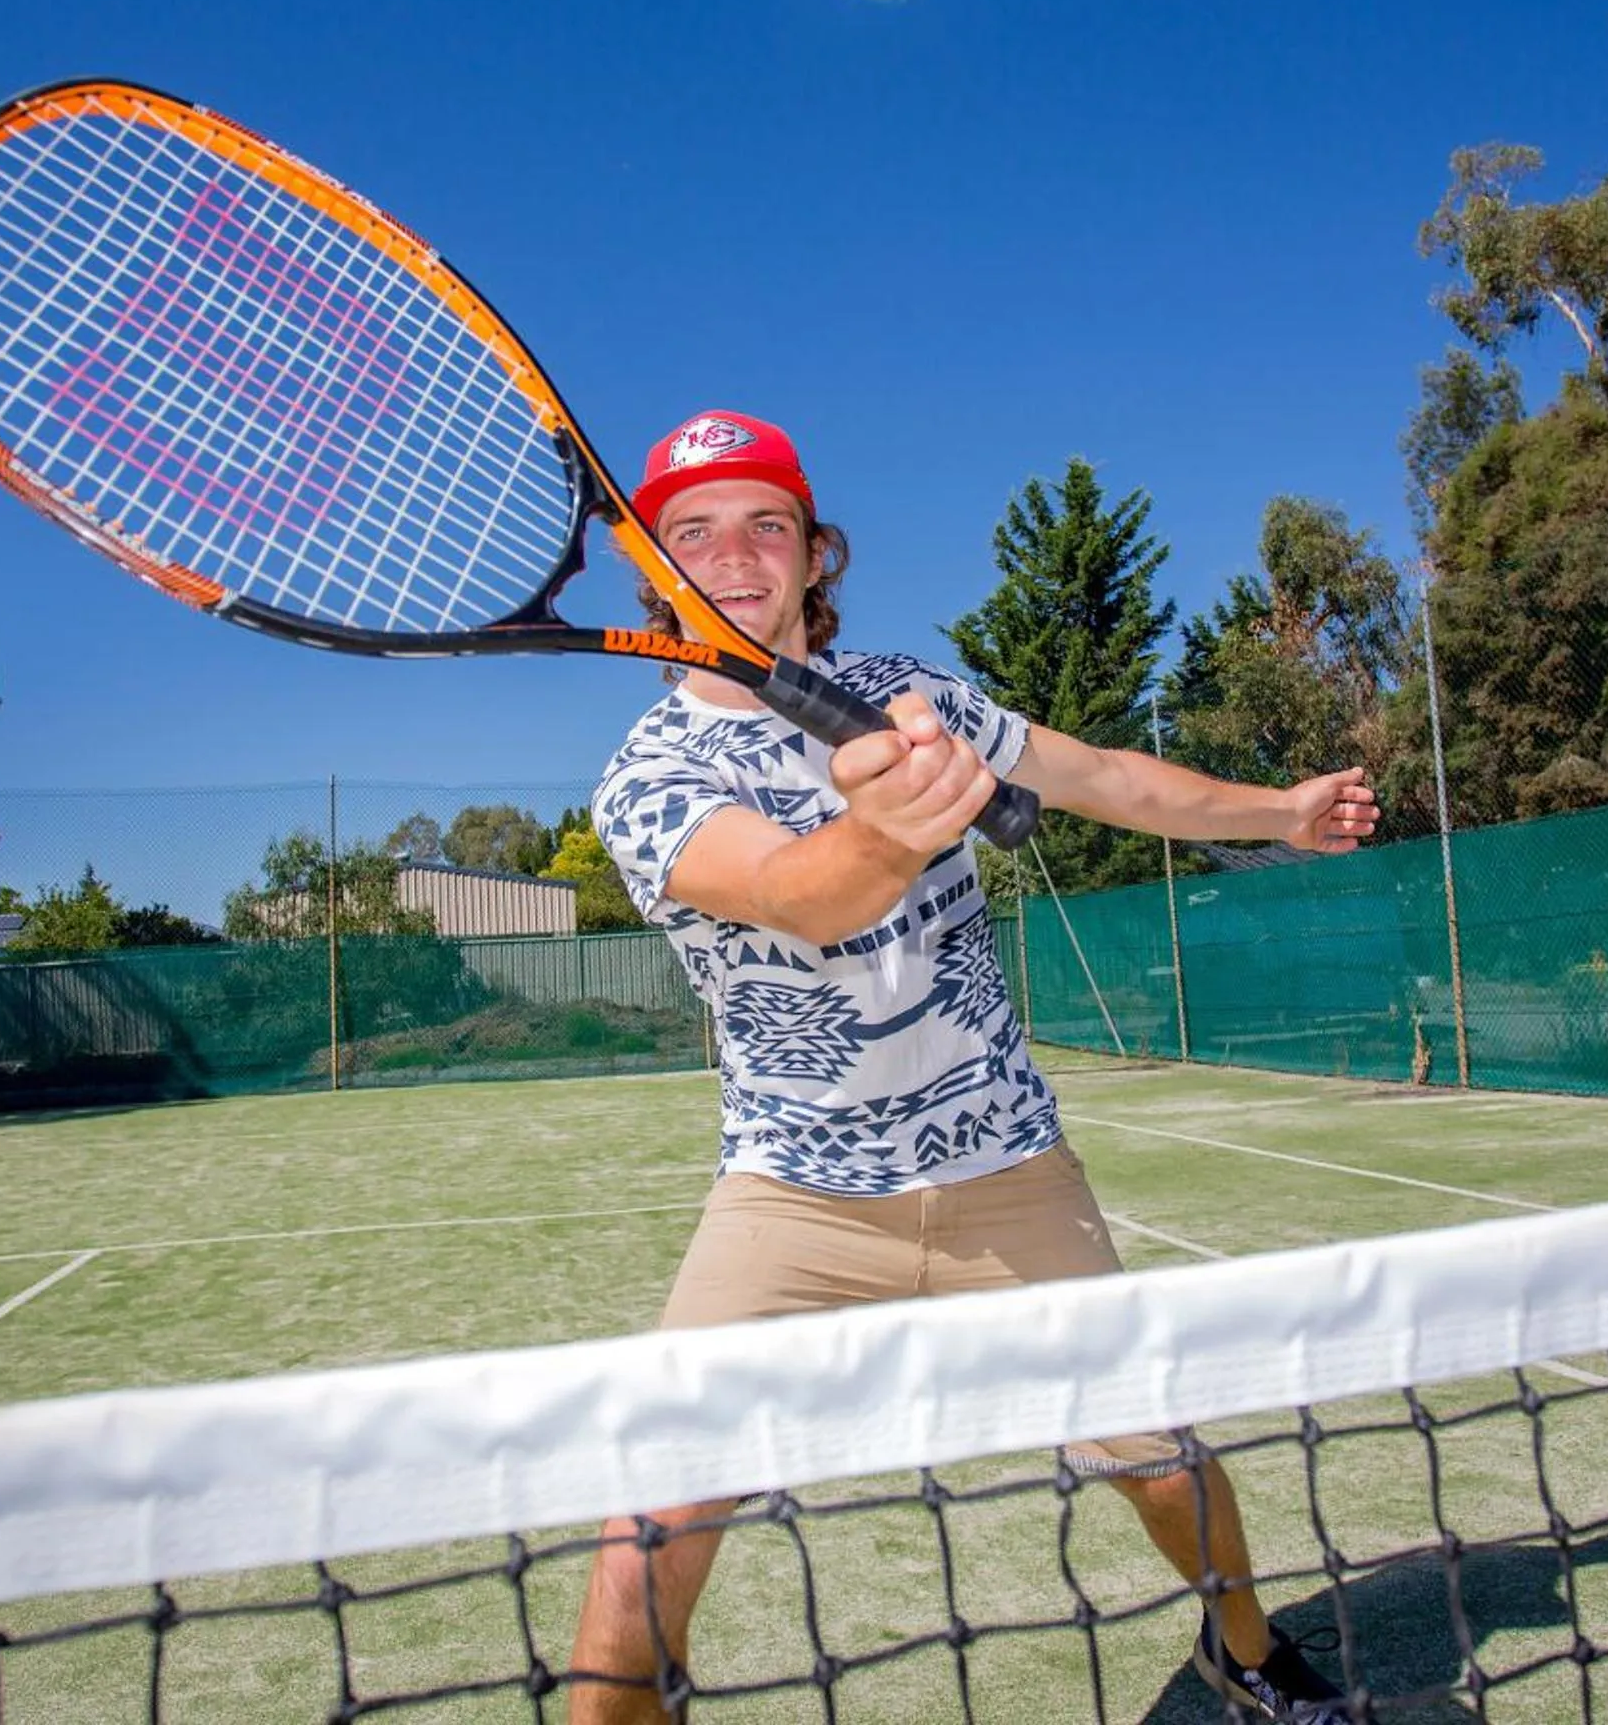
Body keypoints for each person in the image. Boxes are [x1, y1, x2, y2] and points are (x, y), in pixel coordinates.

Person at [571, 411, 1379, 1724]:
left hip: (1009, 1170)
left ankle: (1245, 1647)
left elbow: (1108, 776)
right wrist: (887, 833)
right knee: (650, 1526)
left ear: (813, 553)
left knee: (1161, 1461)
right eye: (694, 533)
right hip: (793, 1197)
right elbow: (795, 890)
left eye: (765, 524)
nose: (734, 556)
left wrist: (1280, 815)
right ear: (650, 569)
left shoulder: (914, 689)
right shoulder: (646, 777)